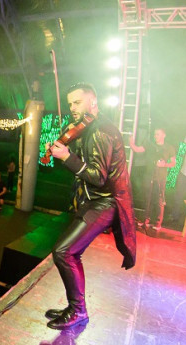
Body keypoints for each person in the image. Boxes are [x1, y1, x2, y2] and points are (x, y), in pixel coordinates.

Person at [47, 83, 135, 330]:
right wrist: (59, 150)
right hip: (92, 200)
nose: (72, 108)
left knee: (64, 252)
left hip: (106, 201)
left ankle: (78, 311)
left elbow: (98, 176)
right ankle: (75, 307)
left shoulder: (101, 131)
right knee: (71, 252)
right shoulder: (84, 129)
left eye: (77, 102)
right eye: (70, 103)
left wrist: (66, 157)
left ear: (93, 102)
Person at [129, 128, 175, 230]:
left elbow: (173, 163)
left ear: (164, 135)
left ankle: (158, 223)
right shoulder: (150, 145)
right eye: (155, 134)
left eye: (158, 134)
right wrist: (131, 143)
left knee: (159, 199)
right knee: (147, 198)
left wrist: (164, 164)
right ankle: (146, 220)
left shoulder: (169, 148)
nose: (155, 136)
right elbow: (138, 149)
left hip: (160, 177)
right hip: (149, 175)